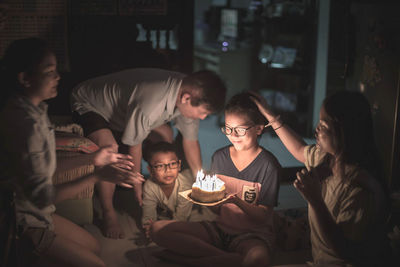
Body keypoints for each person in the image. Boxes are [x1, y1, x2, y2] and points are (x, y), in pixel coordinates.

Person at [0, 37, 140, 267]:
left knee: (94, 246)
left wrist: (92, 159)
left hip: (37, 211)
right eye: (49, 71)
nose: (58, 77)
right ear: (25, 78)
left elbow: (45, 170)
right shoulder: (25, 124)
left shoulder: (34, 108)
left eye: (56, 70)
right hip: (20, 220)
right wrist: (97, 175)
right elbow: (41, 197)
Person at [70, 67, 226, 239]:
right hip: (92, 104)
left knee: (165, 134)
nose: (203, 118)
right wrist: (137, 186)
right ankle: (108, 211)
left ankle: (160, 188)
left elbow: (190, 141)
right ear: (186, 98)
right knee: (110, 148)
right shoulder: (151, 102)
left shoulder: (189, 90)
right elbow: (134, 146)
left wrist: (201, 181)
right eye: (203, 112)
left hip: (127, 111)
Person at [251, 90, 388, 266]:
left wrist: (315, 200)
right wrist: (270, 116)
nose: (316, 129)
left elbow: (346, 250)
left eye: (323, 125)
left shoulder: (360, 189)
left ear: (343, 132)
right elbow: (299, 149)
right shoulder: (327, 160)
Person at [149, 92, 281, 267]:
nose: (233, 135)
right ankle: (222, 258)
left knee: (258, 258)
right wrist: (206, 199)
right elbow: (218, 209)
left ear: (258, 128)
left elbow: (263, 216)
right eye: (228, 128)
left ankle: (196, 260)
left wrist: (237, 201)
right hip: (219, 230)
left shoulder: (268, 165)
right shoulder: (220, 157)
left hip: (251, 236)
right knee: (156, 229)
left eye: (240, 129)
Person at [141, 141, 196, 239]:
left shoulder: (185, 187)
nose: (168, 170)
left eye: (172, 164)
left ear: (179, 165)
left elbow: (181, 218)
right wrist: (149, 228)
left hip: (192, 181)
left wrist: (163, 229)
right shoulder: (149, 186)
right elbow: (148, 212)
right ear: (150, 170)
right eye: (160, 166)